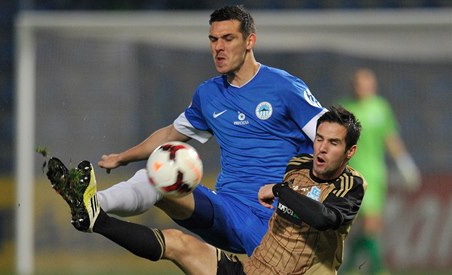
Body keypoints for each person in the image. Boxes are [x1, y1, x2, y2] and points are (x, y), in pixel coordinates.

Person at [95, 5, 326, 255]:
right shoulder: (209, 95)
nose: (219, 47)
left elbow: (332, 139)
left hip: (278, 221)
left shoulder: (285, 87)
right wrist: (122, 158)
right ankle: (93, 205)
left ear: (250, 41)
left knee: (180, 247)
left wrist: (327, 194)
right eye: (213, 40)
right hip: (227, 211)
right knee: (158, 176)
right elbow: (170, 135)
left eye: (228, 39)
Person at [46, 106, 366, 275]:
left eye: (333, 143)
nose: (322, 148)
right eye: (319, 138)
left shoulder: (352, 185)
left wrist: (282, 192)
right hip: (250, 269)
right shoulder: (297, 163)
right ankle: (95, 217)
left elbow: (325, 218)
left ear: (349, 152)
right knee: (177, 243)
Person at [340, 68, 421, 274]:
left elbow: (390, 138)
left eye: (366, 84)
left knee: (371, 226)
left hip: (375, 175)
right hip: (349, 175)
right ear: (353, 86)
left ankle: (357, 269)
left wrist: (404, 164)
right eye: (358, 83)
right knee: (355, 227)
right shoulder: (343, 109)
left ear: (373, 86)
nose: (362, 88)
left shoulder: (380, 108)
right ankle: (372, 269)